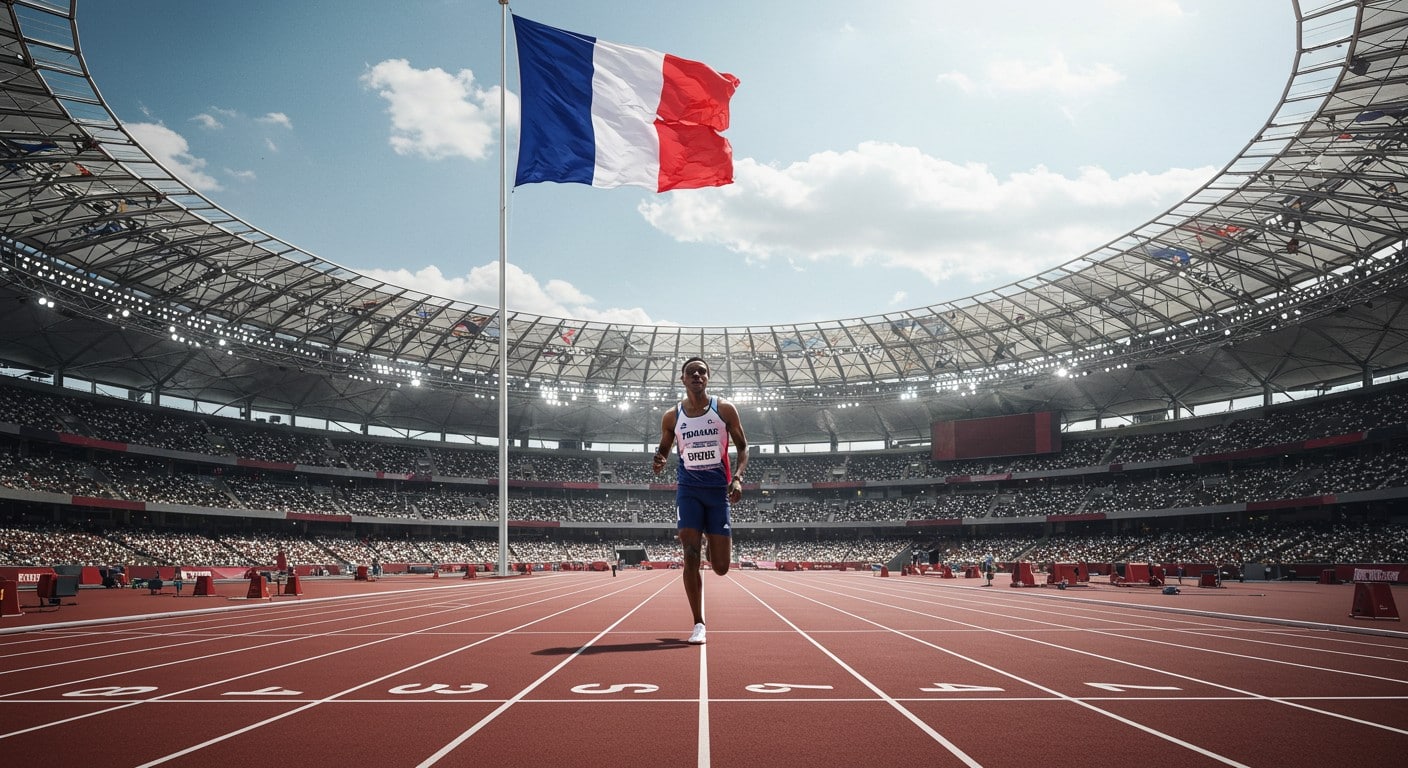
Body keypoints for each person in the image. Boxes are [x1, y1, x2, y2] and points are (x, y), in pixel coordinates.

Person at [652, 356, 748, 645]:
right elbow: (663, 450)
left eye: (702, 371)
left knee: (720, 567)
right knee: (689, 554)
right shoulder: (672, 416)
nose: (696, 375)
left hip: (717, 491)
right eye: (690, 372)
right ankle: (698, 623)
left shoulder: (724, 409)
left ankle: (710, 539)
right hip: (688, 490)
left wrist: (739, 477)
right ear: (682, 379)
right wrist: (659, 460)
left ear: (708, 378)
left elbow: (743, 448)